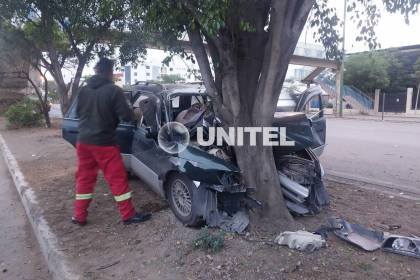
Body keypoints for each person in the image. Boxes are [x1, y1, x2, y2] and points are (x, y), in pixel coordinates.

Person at [72, 57, 151, 226]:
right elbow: (126, 116)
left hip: (83, 142)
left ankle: (79, 216)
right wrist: (136, 112)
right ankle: (128, 215)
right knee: (117, 178)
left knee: (84, 179)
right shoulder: (113, 90)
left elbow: (78, 114)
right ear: (109, 72)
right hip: (104, 144)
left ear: (96, 71)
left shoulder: (84, 90)